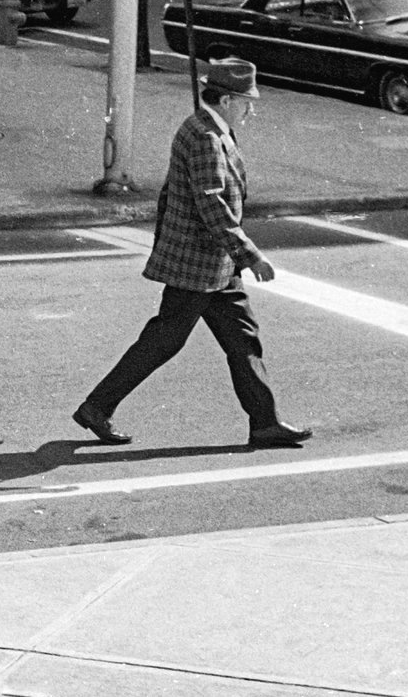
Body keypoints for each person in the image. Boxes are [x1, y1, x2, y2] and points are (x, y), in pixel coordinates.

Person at [73, 58, 312, 449]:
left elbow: (176, 196)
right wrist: (251, 254)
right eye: (247, 101)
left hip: (214, 264)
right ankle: (97, 406)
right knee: (164, 341)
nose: (251, 108)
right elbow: (211, 204)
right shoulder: (205, 137)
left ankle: (265, 422)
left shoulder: (208, 128)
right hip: (199, 265)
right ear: (229, 100)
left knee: (242, 339)